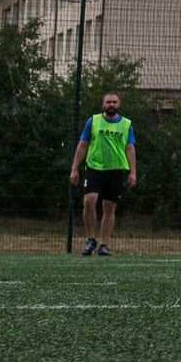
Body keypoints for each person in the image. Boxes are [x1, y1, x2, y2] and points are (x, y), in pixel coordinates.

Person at [71, 91, 136, 254]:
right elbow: (83, 145)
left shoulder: (126, 124)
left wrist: (132, 172)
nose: (111, 105)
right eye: (108, 102)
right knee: (88, 201)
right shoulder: (93, 121)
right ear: (103, 104)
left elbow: (130, 148)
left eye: (114, 102)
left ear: (119, 104)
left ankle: (104, 244)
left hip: (115, 169)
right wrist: (74, 168)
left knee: (109, 207)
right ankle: (90, 239)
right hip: (94, 167)